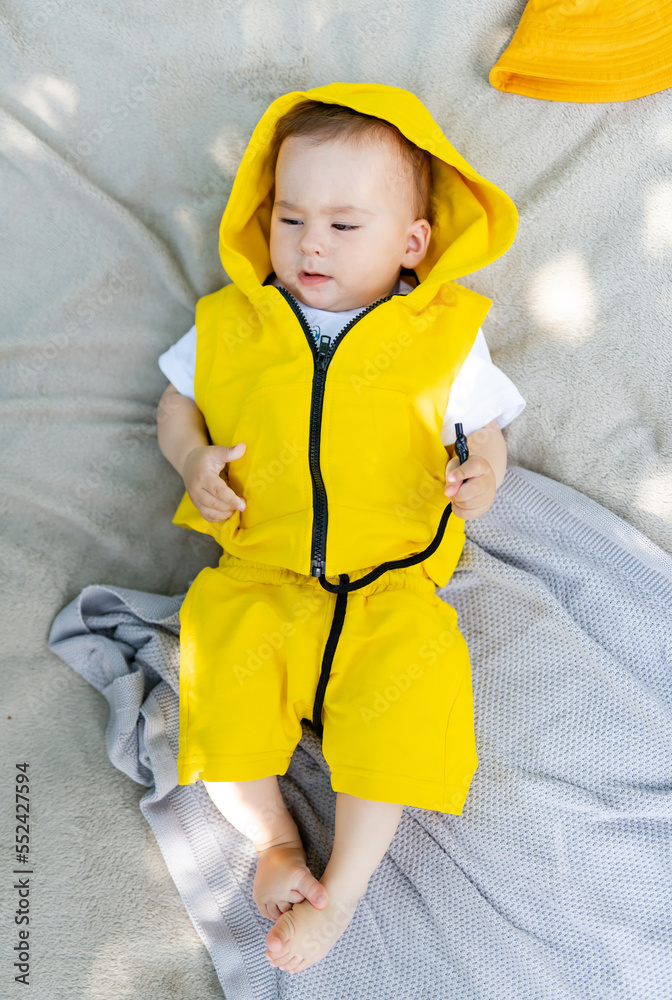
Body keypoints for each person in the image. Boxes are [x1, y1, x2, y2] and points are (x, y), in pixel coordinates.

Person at [156, 82, 524, 974]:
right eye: (290, 219)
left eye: (343, 225)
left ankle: (343, 893)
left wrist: (479, 475)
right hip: (261, 576)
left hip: (390, 584)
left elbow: (487, 433)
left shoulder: (441, 339)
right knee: (216, 682)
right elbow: (177, 407)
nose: (310, 242)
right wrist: (193, 462)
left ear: (412, 243)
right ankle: (275, 842)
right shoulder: (232, 326)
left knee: (407, 699)